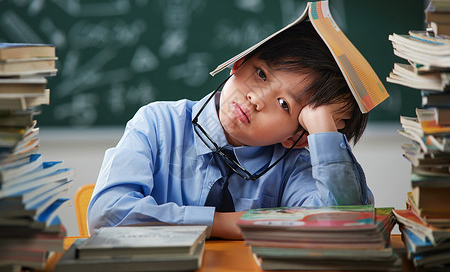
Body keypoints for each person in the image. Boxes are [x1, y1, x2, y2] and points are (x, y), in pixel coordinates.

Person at [87, 21, 374, 240]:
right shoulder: (157, 123)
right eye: (261, 74)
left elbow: (342, 229)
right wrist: (225, 223)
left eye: (285, 104)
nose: (257, 99)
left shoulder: (293, 165)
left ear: (295, 137)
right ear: (238, 62)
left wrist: (323, 131)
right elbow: (107, 214)